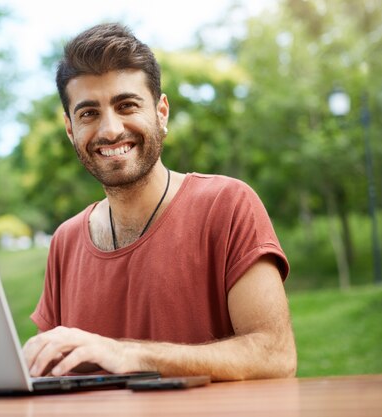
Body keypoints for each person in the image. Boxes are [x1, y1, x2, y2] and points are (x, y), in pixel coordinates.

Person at [23, 23, 297, 381]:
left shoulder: (228, 205)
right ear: (70, 129)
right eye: (88, 113)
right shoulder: (65, 241)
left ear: (161, 112)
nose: (109, 130)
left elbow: (275, 356)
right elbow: (52, 374)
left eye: (126, 105)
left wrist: (129, 354)